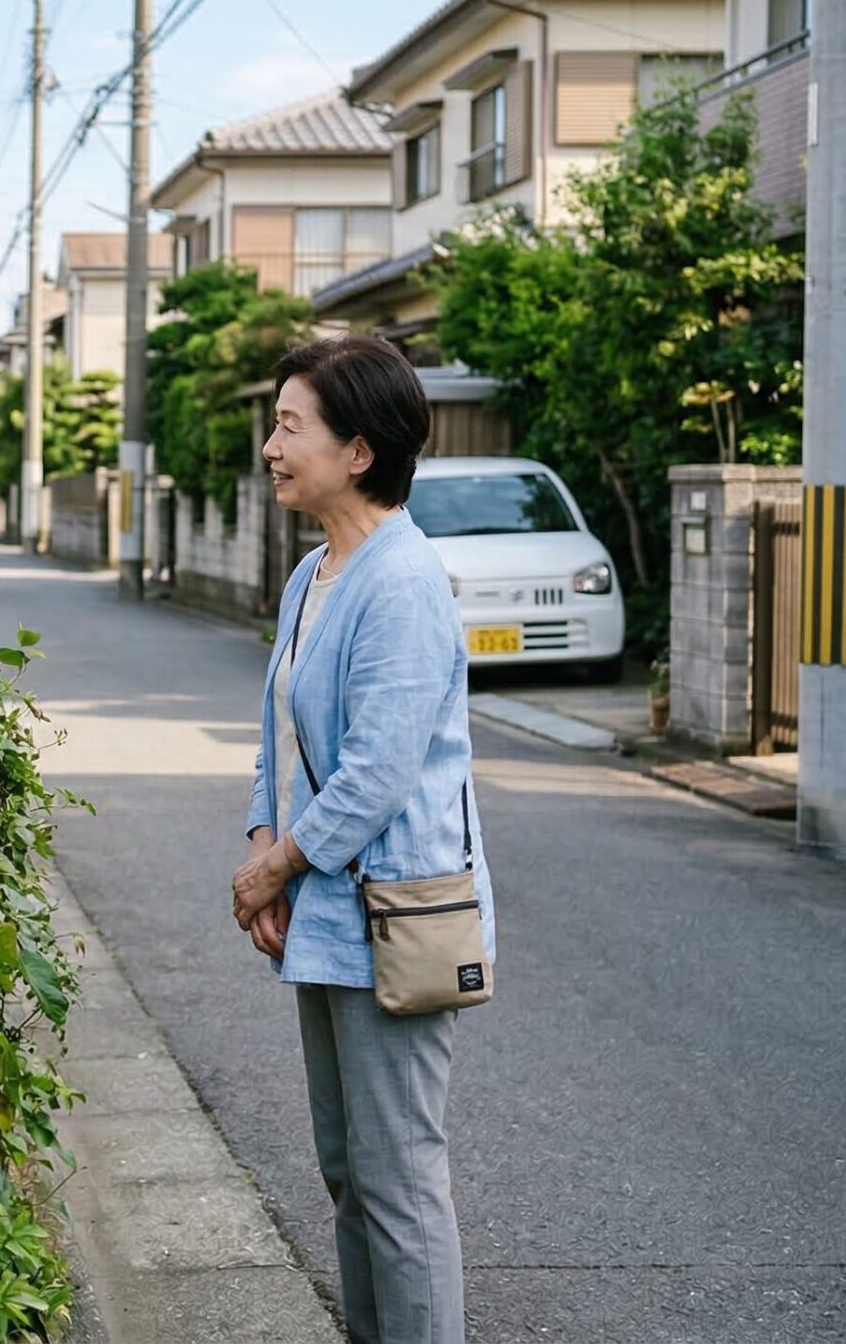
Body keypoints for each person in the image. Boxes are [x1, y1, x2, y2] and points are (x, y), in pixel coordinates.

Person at [229, 334, 495, 1344]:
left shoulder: (402, 581)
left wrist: (272, 867)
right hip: (325, 909)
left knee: (399, 1178)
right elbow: (279, 740)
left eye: (291, 425)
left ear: (359, 450)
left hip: (394, 913)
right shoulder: (314, 576)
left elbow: (377, 773)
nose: (270, 446)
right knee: (348, 1168)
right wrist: (268, 843)